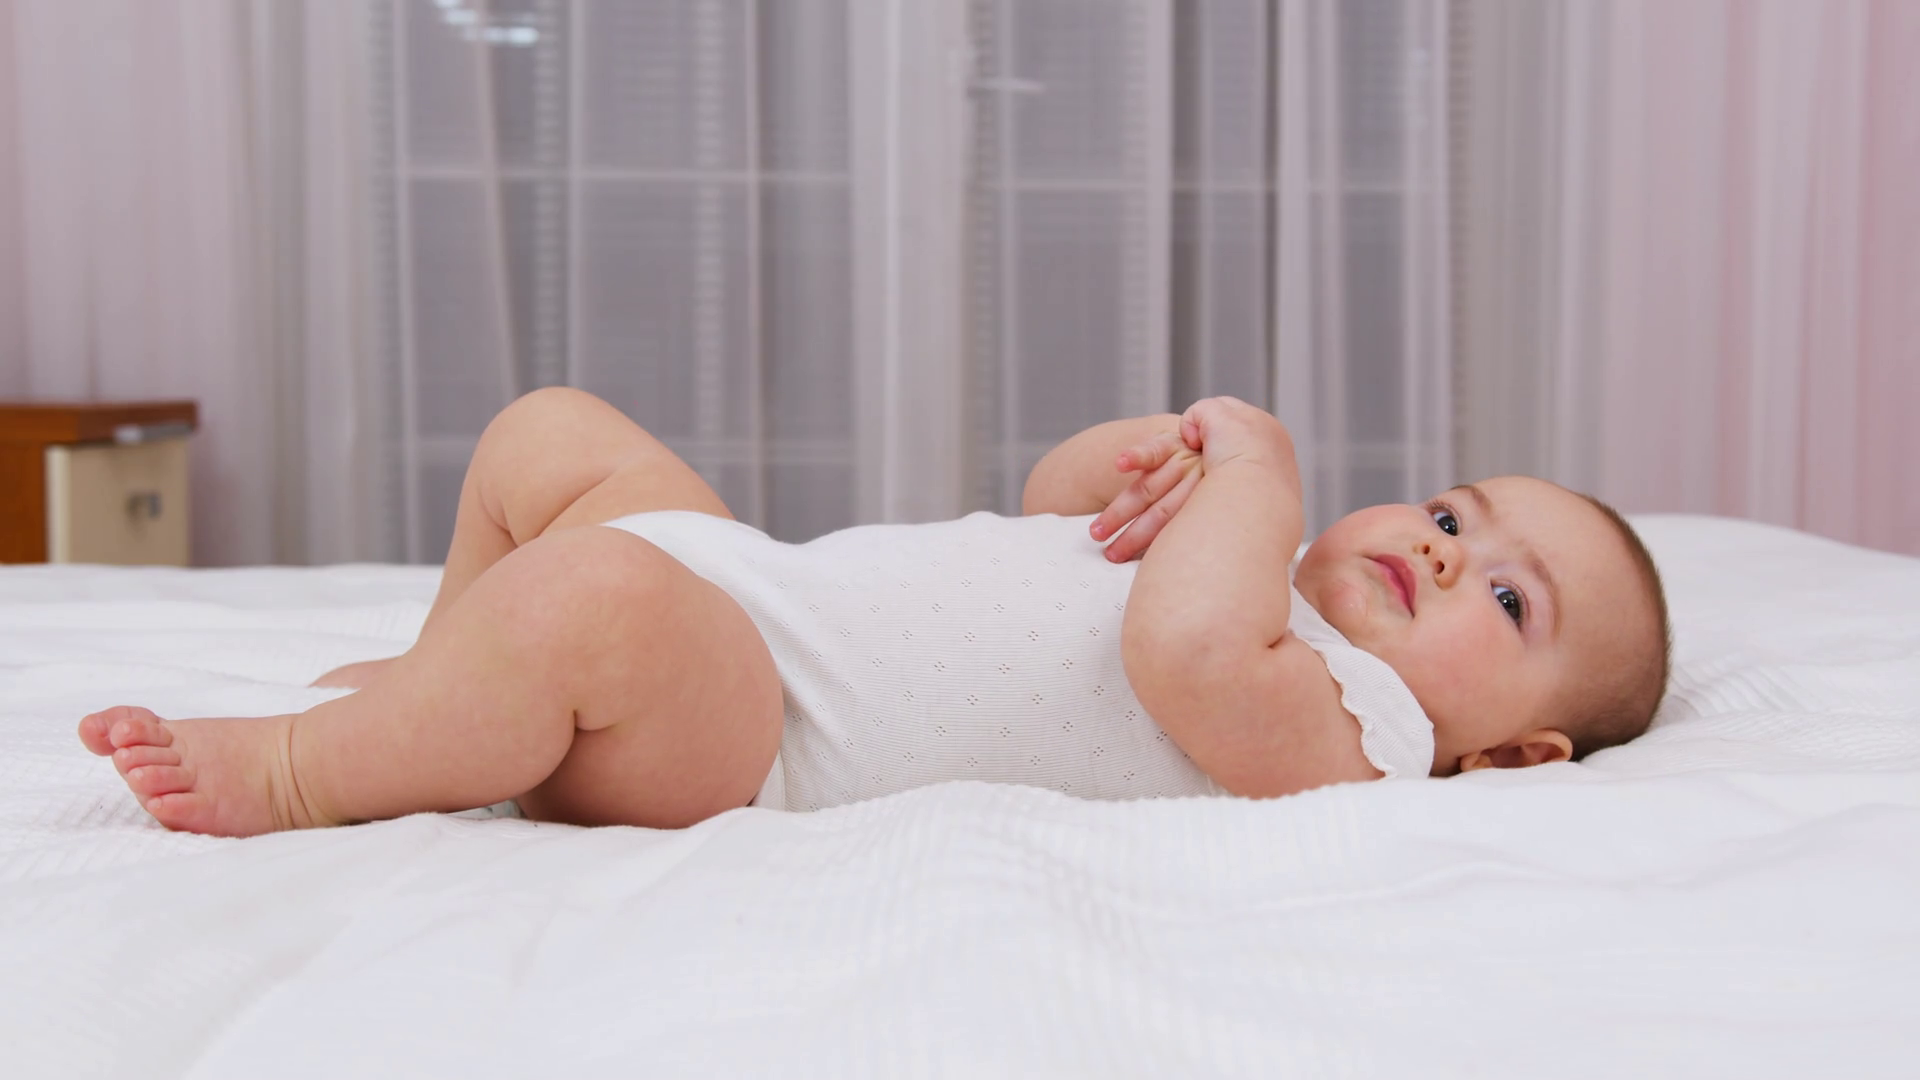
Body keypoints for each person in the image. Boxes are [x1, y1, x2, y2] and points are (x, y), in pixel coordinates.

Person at [76, 388, 1670, 836]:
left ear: (1518, 754)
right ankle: (449, 680)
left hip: (756, 728)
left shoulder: (1359, 740)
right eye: (1452, 514)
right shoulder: (1253, 563)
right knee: (547, 439)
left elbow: (1179, 652)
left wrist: (1257, 466)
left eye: (1507, 593)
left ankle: (301, 772)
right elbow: (1056, 513)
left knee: (589, 600)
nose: (1446, 552)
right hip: (758, 586)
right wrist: (1148, 460)